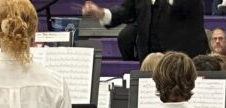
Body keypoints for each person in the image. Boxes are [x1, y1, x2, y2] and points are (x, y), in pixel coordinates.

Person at [81, 0, 210, 62]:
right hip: (148, 64)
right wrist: (101, 13)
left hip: (181, 63)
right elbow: (124, 11)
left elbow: (189, 6)